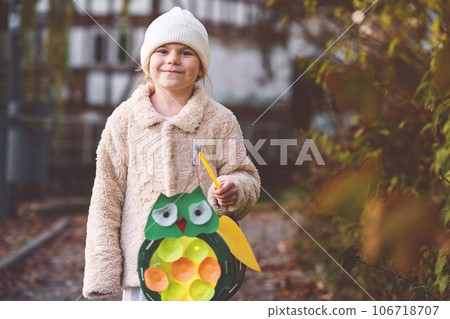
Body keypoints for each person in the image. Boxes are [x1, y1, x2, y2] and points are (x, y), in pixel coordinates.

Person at [82, 7, 260, 301]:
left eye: (186, 52)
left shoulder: (220, 120)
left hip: (204, 267)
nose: (173, 59)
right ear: (147, 61)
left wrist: (235, 188)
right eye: (162, 50)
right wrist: (103, 270)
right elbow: (106, 196)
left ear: (201, 66)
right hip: (144, 271)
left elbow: (245, 174)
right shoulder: (124, 120)